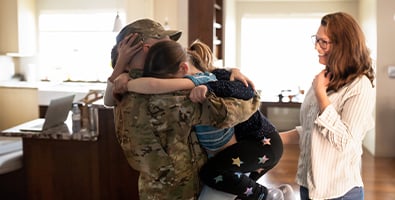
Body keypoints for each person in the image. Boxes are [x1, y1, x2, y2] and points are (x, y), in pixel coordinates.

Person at [107, 18, 261, 200]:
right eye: (166, 41)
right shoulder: (175, 95)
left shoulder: (120, 90)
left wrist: (228, 71)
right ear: (148, 49)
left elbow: (109, 99)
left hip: (151, 188)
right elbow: (237, 109)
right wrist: (241, 90)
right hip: (189, 188)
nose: (174, 45)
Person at [124, 40, 295, 200]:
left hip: (263, 144)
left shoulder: (211, 78)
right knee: (232, 189)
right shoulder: (202, 75)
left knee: (213, 173)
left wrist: (210, 87)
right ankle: (274, 194)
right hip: (248, 146)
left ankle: (271, 196)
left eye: (170, 80)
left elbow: (247, 91)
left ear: (183, 68)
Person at [280, 12, 375, 200]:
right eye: (316, 40)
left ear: (343, 46)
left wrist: (321, 96)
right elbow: (313, 129)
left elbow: (345, 143)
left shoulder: (360, 86)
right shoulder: (324, 79)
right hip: (309, 187)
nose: (316, 47)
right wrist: (275, 138)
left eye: (323, 42)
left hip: (339, 193)